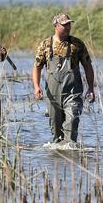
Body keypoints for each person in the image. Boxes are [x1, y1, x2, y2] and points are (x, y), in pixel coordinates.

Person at [31, 13, 95, 148]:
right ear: (56, 26)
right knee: (56, 132)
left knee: (72, 123)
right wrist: (36, 87)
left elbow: (88, 66)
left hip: (73, 92)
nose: (68, 27)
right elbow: (37, 67)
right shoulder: (45, 45)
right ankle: (59, 159)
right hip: (52, 94)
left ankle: (71, 156)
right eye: (64, 24)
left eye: (69, 24)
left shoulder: (77, 44)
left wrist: (91, 88)